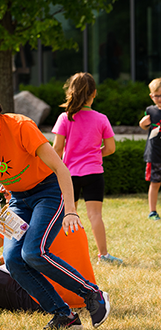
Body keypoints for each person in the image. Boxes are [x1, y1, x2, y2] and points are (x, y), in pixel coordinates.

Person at [0, 77, 110, 330]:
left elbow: (61, 168)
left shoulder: (19, 126)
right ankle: (64, 315)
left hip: (48, 192)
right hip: (17, 200)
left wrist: (71, 210)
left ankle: (93, 294)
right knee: (13, 259)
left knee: (33, 252)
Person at [52, 72, 121, 264]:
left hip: (68, 176)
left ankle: (63, 256)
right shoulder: (101, 119)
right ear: (94, 93)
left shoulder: (65, 118)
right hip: (94, 173)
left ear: (71, 92)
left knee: (66, 214)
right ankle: (104, 255)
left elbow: (56, 149)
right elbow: (111, 148)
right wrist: (94, 154)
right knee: (95, 215)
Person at [139, 77, 161, 221]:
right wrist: (142, 123)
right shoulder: (150, 111)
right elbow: (144, 125)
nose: (159, 99)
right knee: (155, 182)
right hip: (155, 154)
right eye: (156, 95)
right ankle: (152, 211)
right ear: (151, 96)